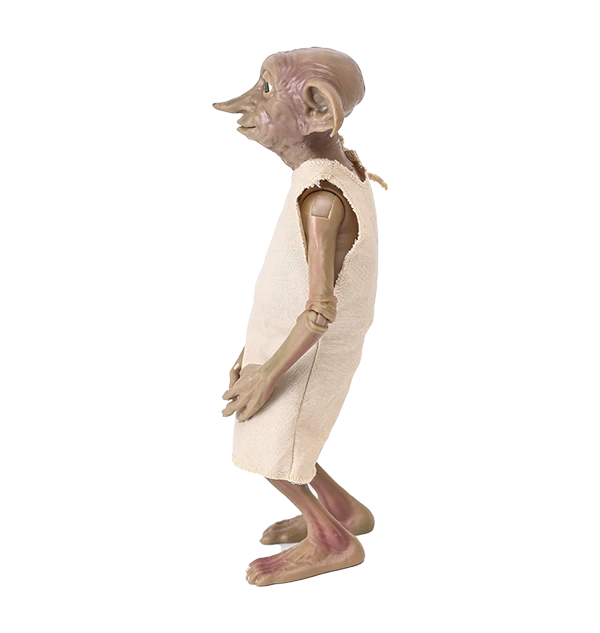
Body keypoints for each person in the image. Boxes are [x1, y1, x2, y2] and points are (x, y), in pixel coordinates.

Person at [213, 47, 385, 587]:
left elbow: (318, 310)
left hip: (302, 353)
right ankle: (342, 510)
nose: (249, 103)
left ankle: (332, 540)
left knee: (268, 442)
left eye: (267, 91)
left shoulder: (322, 200)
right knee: (284, 438)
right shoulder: (335, 171)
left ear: (315, 111)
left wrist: (268, 373)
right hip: (283, 338)